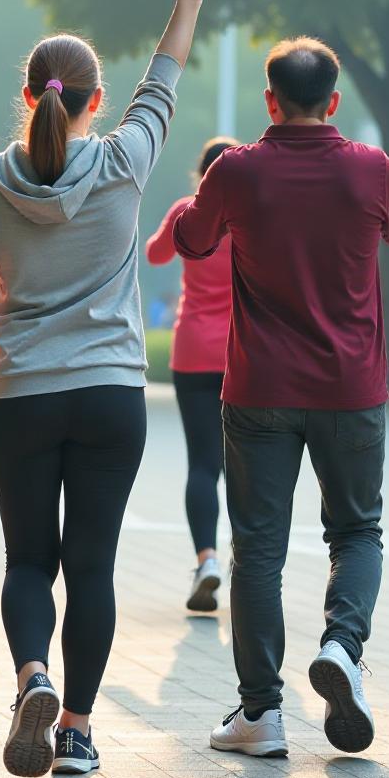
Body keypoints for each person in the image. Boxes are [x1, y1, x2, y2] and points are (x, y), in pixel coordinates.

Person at [0, 0, 236, 778]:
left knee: (28, 559)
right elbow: (165, 84)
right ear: (94, 99)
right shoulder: (124, 161)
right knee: (91, 566)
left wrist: (10, 279)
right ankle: (74, 729)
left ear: (29, 94)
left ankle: (31, 676)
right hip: (110, 394)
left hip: (21, 396)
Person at [175, 38, 389, 760]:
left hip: (259, 390)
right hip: (351, 388)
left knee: (260, 550)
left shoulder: (239, 169)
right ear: (334, 101)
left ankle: (262, 715)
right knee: (358, 533)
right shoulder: (369, 170)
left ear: (270, 100)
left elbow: (188, 237)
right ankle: (341, 645)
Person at [145, 136, 238, 612]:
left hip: (192, 353)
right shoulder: (249, 213)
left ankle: (206, 559)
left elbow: (156, 254)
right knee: (246, 465)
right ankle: (252, 566)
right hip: (243, 356)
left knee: (203, 463)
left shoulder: (188, 209)